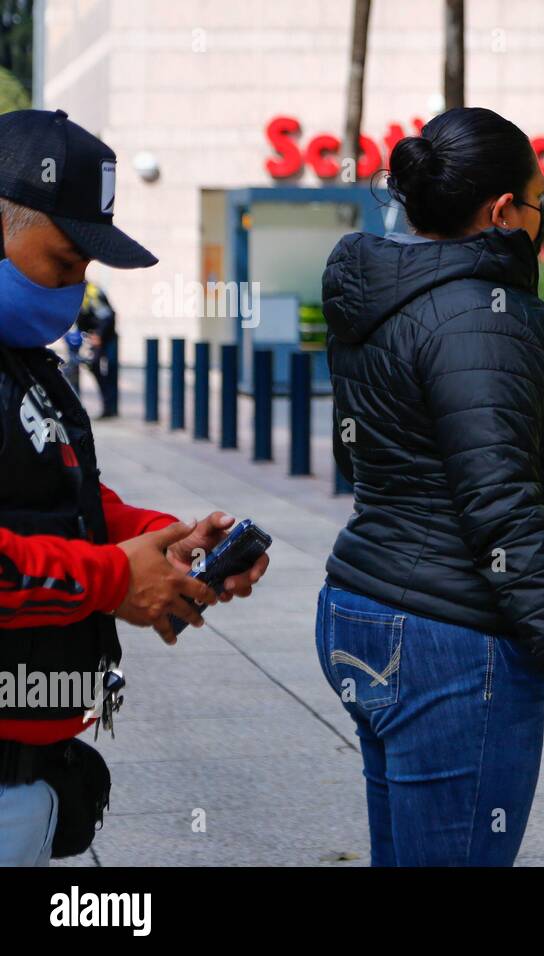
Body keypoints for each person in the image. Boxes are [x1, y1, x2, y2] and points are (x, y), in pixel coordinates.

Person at [318, 106, 544, 867]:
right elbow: (501, 505)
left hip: (364, 606)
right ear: (502, 212)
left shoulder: (378, 294)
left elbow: (354, 453)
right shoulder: (488, 317)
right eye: (537, 205)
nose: (539, 222)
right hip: (453, 638)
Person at [0, 109, 269, 866]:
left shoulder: (24, 358)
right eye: (62, 260)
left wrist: (162, 539)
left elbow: (55, 488)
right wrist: (114, 577)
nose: (74, 286)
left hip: (35, 772)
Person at [76, 282, 119, 417]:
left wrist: (98, 335)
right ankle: (107, 406)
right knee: (94, 367)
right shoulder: (77, 295)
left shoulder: (91, 292)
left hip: (107, 337)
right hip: (94, 337)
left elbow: (107, 316)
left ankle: (111, 408)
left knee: (111, 369)